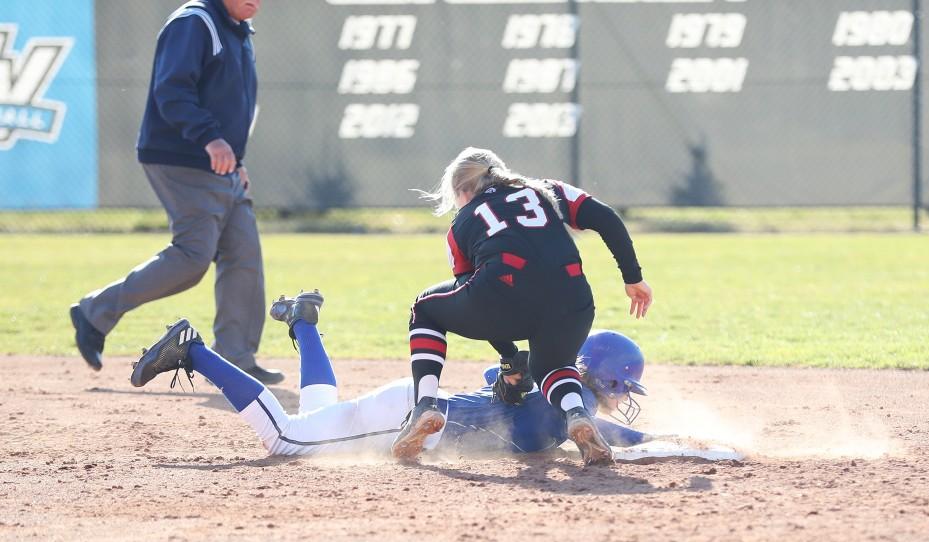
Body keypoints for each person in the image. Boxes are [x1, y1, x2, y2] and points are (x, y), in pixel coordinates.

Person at [128, 291, 660, 460]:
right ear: (605, 381)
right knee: (285, 439)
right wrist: (701, 445)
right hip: (413, 424)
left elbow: (498, 378)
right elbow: (624, 439)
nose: (622, 398)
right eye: (622, 386)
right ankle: (194, 352)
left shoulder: (549, 381)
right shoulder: (578, 411)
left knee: (318, 416)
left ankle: (304, 325)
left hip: (416, 403)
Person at [69, 0, 282, 384]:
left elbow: (233, 104)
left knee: (244, 254)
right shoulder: (195, 22)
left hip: (220, 161)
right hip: (184, 158)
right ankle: (94, 312)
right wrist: (211, 140)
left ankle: (236, 358)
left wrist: (236, 157)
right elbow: (172, 90)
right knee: (192, 256)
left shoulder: (234, 28)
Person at [398, 147, 654, 465]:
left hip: (504, 294)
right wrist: (633, 279)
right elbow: (606, 218)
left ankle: (425, 406)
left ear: (462, 190)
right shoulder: (548, 189)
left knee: (424, 309)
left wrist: (509, 356)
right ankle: (576, 414)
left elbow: (476, 295)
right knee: (553, 366)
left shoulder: (461, 224)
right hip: (574, 300)